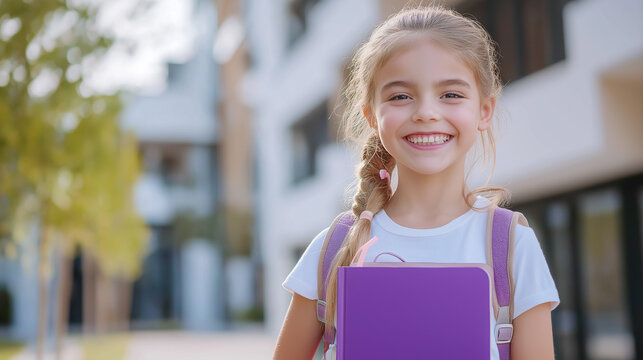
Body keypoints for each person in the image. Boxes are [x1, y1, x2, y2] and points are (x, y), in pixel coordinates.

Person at [274, 5, 560, 360]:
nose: (426, 112)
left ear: (484, 110)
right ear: (372, 116)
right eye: (400, 96)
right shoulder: (334, 248)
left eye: (451, 94)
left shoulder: (513, 247)